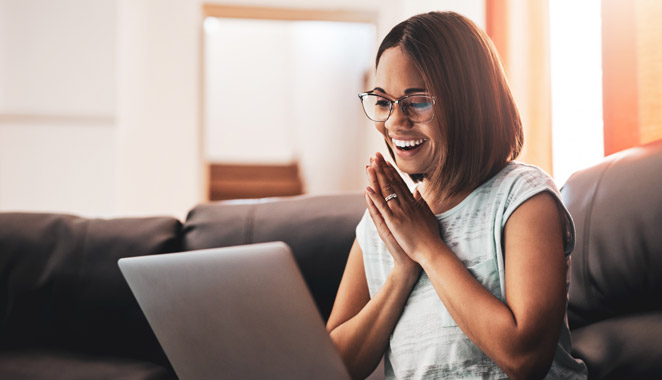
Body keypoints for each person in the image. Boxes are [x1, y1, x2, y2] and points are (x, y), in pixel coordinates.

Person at [326, 11, 588, 380]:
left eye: (417, 101)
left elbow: (525, 358)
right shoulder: (381, 223)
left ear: (468, 102)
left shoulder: (523, 199)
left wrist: (427, 249)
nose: (395, 122)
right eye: (383, 101)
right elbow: (334, 364)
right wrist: (403, 271)